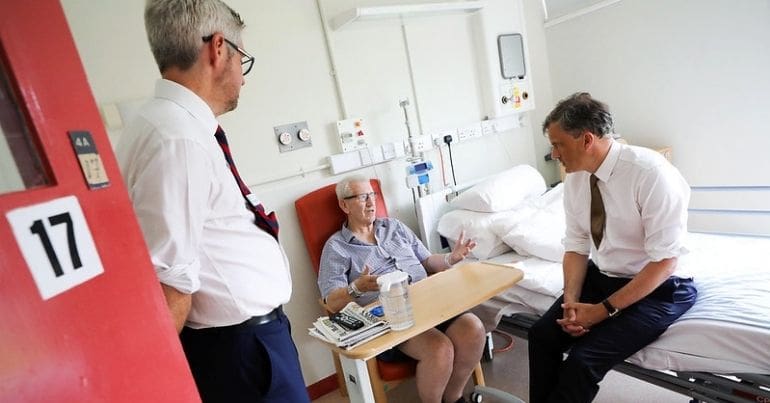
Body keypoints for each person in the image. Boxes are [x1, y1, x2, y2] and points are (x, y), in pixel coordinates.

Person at [116, 1, 308, 402]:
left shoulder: (173, 126)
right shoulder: (177, 138)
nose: (244, 76)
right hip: (241, 355)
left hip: (249, 345)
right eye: (243, 59)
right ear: (218, 49)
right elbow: (169, 280)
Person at [527, 92, 698, 403]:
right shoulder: (576, 180)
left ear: (587, 140)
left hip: (659, 287)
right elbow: (577, 246)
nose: (553, 154)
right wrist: (571, 304)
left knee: (583, 361)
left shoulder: (651, 174)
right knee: (541, 336)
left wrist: (601, 312)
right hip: (604, 275)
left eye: (558, 144)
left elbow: (665, 262)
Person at [317, 175, 485, 403]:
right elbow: (332, 302)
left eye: (372, 195)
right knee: (439, 348)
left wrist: (450, 258)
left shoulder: (394, 227)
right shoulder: (336, 247)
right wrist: (356, 288)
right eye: (362, 197)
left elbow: (427, 261)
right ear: (344, 205)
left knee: (473, 329)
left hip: (430, 305)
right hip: (390, 322)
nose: (370, 202)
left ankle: (453, 398)